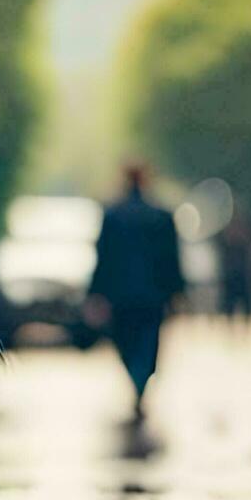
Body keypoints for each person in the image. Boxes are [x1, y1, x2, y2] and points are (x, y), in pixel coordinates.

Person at [87, 165, 185, 416]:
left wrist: (95, 294)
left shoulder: (112, 216)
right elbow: (171, 259)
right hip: (153, 296)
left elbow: (103, 259)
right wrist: (177, 292)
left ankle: (136, 380)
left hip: (120, 297)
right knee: (148, 343)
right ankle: (141, 382)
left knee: (126, 343)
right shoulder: (161, 216)